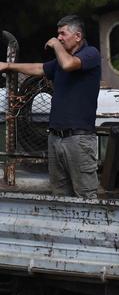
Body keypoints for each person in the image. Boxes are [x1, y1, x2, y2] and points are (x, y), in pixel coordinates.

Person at [0, 15, 101, 198]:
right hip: (55, 138)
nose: (59, 37)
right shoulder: (60, 62)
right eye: (58, 35)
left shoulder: (90, 54)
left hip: (79, 139)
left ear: (77, 36)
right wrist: (8, 65)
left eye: (63, 34)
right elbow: (39, 68)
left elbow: (69, 64)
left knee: (86, 196)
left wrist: (55, 45)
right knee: (59, 195)